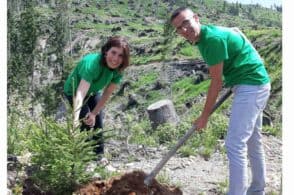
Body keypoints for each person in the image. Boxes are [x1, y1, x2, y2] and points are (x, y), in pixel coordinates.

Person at [170, 7, 271, 195]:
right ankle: (257, 190)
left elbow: (216, 83)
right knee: (252, 141)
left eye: (186, 23)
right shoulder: (206, 35)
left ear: (196, 18)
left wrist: (204, 117)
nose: (184, 30)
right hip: (253, 84)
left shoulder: (211, 40)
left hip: (250, 87)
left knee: (235, 143)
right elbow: (237, 31)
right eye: (179, 28)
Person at [64, 36, 130, 156]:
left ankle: (99, 158)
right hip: (74, 91)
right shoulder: (92, 64)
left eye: (120, 55)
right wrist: (75, 120)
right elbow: (80, 92)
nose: (115, 59)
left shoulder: (118, 71)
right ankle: (83, 158)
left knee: (97, 121)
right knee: (85, 120)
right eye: (113, 52)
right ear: (106, 51)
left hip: (93, 91)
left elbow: (107, 93)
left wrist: (94, 113)